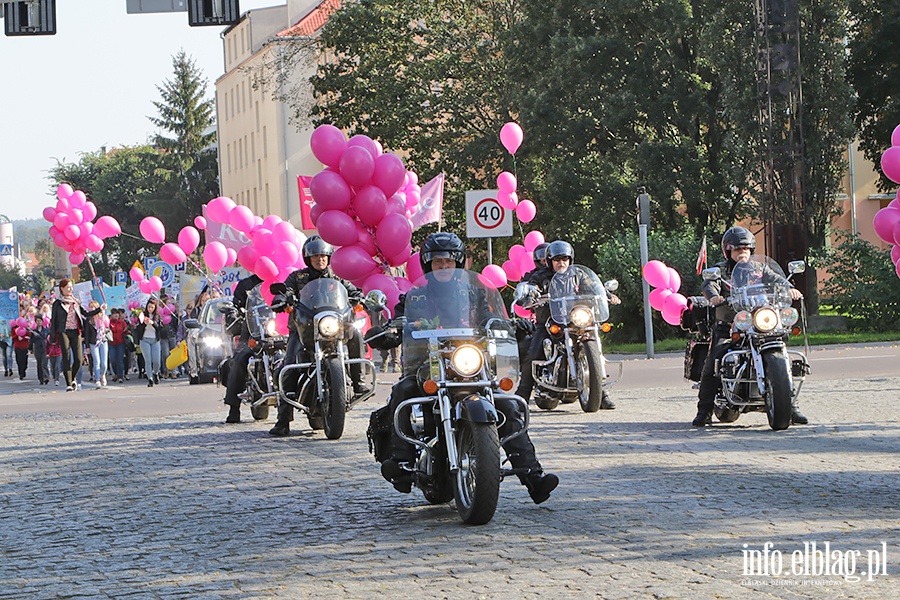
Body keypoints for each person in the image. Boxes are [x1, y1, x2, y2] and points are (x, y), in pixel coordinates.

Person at [375, 232, 560, 505]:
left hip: (472, 361)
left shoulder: (475, 291)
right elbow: (402, 317)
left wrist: (512, 325)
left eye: (449, 261)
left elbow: (492, 317)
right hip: (430, 363)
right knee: (404, 390)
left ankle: (532, 475)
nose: (444, 267)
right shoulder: (417, 295)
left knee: (506, 405)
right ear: (428, 264)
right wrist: (394, 326)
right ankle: (402, 461)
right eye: (438, 262)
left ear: (458, 263)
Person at [691, 226, 807, 426]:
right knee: (715, 359)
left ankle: (790, 407)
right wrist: (715, 296)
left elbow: (777, 280)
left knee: (782, 351)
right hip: (730, 322)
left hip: (759, 319)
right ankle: (704, 410)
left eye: (745, 249)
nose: (742, 253)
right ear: (728, 251)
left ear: (751, 250)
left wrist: (790, 288)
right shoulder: (720, 270)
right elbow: (709, 285)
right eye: (737, 249)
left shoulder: (760, 268)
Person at [268, 235, 371, 436]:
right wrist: (282, 299)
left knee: (356, 334)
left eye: (323, 255)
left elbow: (352, 291)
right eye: (315, 256)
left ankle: (359, 382)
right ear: (308, 258)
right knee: (289, 362)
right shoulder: (297, 278)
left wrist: (360, 297)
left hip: (333, 327)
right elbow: (285, 291)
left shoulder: (336, 278)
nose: (320, 259)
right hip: (303, 329)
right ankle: (283, 419)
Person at [515, 240, 616, 410]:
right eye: (557, 259)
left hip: (575, 318)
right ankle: (522, 395)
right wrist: (531, 295)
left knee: (595, 345)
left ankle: (601, 394)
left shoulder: (577, 274)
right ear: (549, 261)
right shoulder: (540, 276)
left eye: (565, 259)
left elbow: (591, 286)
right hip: (550, 320)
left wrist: (606, 295)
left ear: (571, 260)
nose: (562, 263)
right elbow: (532, 287)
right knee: (533, 352)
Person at [222, 273, 263, 424]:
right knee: (239, 360)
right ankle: (234, 406)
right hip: (252, 332)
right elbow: (235, 305)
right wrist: (233, 314)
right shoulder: (246, 285)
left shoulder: (282, 281)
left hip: (277, 330)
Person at [51, 279, 102, 392]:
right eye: (68, 287)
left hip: (75, 331)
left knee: (79, 359)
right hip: (63, 331)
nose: (70, 289)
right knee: (67, 357)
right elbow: (53, 320)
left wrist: (99, 309)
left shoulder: (76, 301)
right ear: (62, 289)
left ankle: (72, 377)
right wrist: (53, 336)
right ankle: (69, 383)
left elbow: (85, 314)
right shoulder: (57, 303)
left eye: (71, 287)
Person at [134, 297, 163, 387]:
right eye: (149, 307)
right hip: (145, 340)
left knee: (156, 361)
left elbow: (160, 328)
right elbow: (138, 328)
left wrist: (152, 323)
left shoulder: (158, 317)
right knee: (148, 360)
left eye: (152, 307)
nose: (150, 309)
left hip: (155, 341)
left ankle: (156, 373)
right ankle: (150, 378)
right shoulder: (142, 315)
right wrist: (143, 323)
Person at [85, 300, 110, 388]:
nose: (92, 309)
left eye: (93, 307)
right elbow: (86, 334)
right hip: (93, 342)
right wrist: (87, 346)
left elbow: (108, 327)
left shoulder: (102, 317)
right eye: (90, 307)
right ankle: (97, 379)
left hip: (103, 340)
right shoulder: (88, 320)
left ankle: (102, 374)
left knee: (104, 363)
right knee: (97, 361)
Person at [108, 309, 129, 383]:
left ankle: (120, 376)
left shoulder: (122, 322)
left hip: (121, 343)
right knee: (113, 360)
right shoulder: (109, 322)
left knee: (120, 360)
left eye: (117, 313)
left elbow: (126, 331)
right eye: (114, 314)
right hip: (111, 344)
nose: (116, 315)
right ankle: (116, 373)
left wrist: (127, 331)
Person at [11, 315, 30, 380]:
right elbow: (12, 337)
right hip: (17, 346)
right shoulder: (14, 329)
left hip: (25, 346)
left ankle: (24, 369)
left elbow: (29, 336)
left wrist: (23, 337)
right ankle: (21, 373)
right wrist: (17, 336)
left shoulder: (26, 328)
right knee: (19, 360)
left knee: (25, 361)